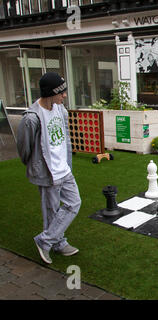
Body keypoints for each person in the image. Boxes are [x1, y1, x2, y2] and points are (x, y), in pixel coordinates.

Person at [16, 72, 81, 264]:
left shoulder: (61, 110)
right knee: (52, 211)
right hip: (48, 171)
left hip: (64, 169)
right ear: (50, 93)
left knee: (74, 203)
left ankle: (46, 241)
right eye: (61, 92)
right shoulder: (31, 118)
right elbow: (24, 148)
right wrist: (36, 166)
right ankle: (57, 243)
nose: (64, 96)